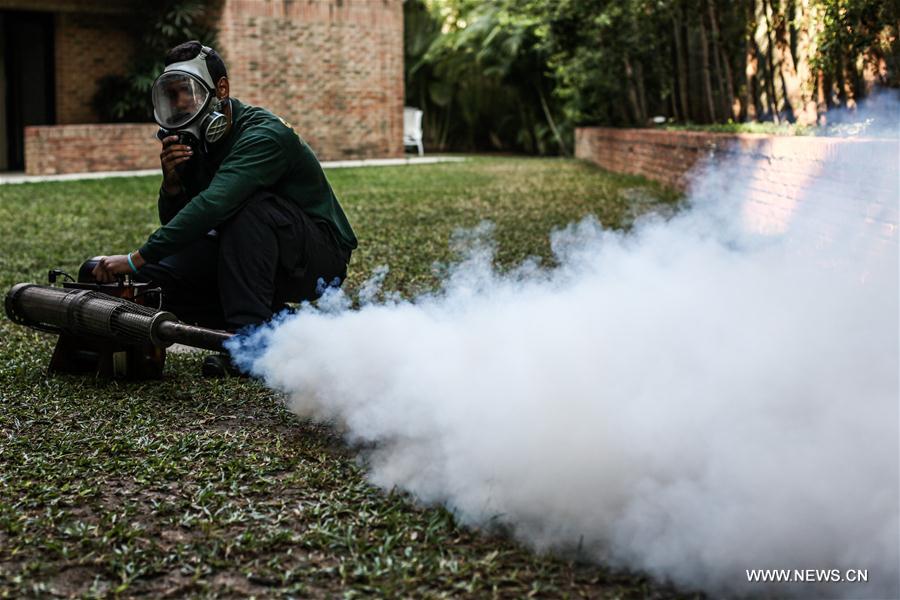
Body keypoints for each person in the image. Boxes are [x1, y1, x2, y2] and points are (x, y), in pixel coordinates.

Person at [90, 41, 357, 375]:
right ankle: (277, 323)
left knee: (250, 207)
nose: (176, 105)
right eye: (168, 95)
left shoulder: (264, 135)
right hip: (247, 255)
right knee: (153, 283)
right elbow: (188, 232)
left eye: (183, 92)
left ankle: (251, 344)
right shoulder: (193, 142)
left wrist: (134, 258)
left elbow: (214, 206)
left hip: (318, 258)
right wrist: (171, 186)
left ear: (221, 88)